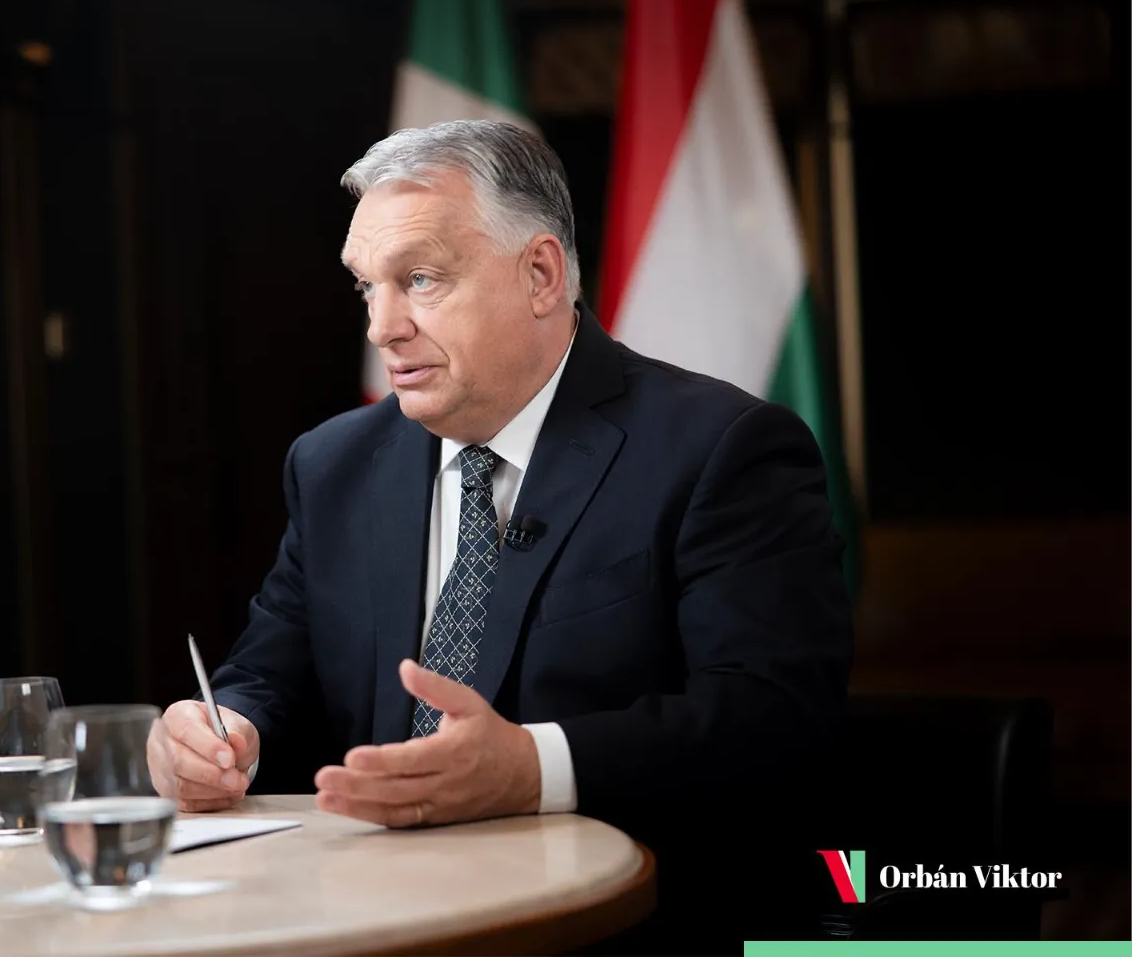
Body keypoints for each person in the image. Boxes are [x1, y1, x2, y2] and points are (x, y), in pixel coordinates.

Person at [147, 120, 852, 950]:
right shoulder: (333, 465)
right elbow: (267, 676)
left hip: (624, 927)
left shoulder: (719, 449)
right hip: (367, 921)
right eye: (367, 287)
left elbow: (772, 719)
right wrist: (222, 733)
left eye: (419, 279)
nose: (382, 327)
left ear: (541, 274)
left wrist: (531, 770)